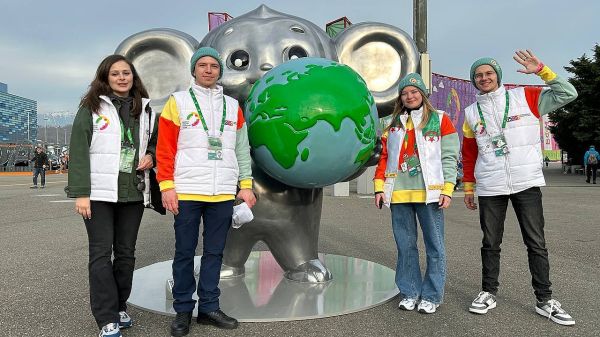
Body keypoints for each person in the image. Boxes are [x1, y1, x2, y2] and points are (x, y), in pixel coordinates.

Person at [462, 50, 577, 325]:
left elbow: (568, 93)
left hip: (526, 182)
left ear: (498, 76)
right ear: (473, 81)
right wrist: (468, 187)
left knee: (536, 243)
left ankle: (545, 299)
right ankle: (488, 292)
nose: (484, 78)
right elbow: (469, 153)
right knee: (490, 243)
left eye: (489, 73)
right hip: (490, 184)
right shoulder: (470, 113)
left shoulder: (524, 96)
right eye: (478, 75)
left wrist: (542, 71)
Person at [156, 47, 256, 337]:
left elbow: (241, 149)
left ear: (220, 71)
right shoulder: (178, 102)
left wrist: (246, 185)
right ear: (193, 70)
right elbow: (165, 150)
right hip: (187, 191)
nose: (209, 70)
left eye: (214, 65)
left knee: (215, 253)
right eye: (203, 65)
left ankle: (209, 307)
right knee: (185, 253)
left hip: (223, 193)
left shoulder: (232, 106)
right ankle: (183, 310)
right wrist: (167, 187)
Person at [66, 54, 157, 337]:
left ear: (133, 77)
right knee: (101, 255)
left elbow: (155, 140)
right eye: (115, 73)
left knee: (127, 255)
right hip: (99, 194)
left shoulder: (146, 108)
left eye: (126, 73)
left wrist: (152, 155)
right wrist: (81, 193)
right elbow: (79, 150)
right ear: (105, 78)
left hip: (133, 193)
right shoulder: (91, 107)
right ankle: (106, 317)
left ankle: (119, 306)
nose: (121, 77)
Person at [373, 73, 459, 314]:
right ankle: (410, 291)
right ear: (400, 97)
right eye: (405, 92)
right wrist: (379, 187)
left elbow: (450, 157)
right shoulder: (393, 125)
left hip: (429, 194)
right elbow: (385, 159)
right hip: (399, 194)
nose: (409, 96)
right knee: (405, 246)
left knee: (435, 246)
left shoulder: (441, 119)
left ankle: (431, 295)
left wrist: (448, 189)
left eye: (414, 91)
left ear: (423, 94)